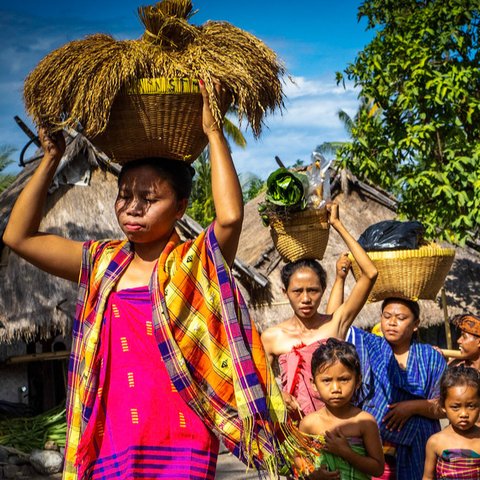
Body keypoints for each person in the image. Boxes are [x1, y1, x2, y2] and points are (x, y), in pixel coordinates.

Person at [2, 82, 283, 479]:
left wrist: (214, 132)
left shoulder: (196, 262)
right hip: (113, 435)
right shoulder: (101, 262)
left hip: (183, 435)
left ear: (181, 206)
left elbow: (231, 218)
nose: (132, 208)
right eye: (124, 195)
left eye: (148, 199)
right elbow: (19, 237)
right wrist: (51, 157)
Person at [260, 214, 378, 419]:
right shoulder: (272, 337)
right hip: (294, 436)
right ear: (284, 291)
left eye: (313, 290)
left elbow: (370, 274)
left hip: (338, 430)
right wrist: (277, 394)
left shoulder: (336, 323)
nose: (306, 298)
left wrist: (338, 224)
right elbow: (259, 385)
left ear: (324, 290)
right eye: (297, 291)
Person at [345, 297, 447, 480]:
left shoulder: (431, 357)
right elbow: (339, 322)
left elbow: (445, 407)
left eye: (400, 318)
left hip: (419, 447)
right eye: (387, 316)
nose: (392, 323)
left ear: (416, 324)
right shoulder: (369, 347)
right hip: (373, 447)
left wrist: (411, 407)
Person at [295, 338, 384, 479]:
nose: (336, 388)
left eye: (344, 379)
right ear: (313, 384)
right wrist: (312, 474)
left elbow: (378, 468)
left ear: (358, 381)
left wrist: (346, 452)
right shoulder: (309, 423)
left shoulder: (365, 422)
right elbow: (298, 458)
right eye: (327, 380)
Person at [423, 365, 480, 479]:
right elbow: (428, 477)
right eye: (455, 407)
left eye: (471, 406)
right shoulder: (435, 442)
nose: (464, 414)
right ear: (443, 406)